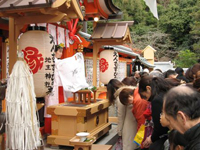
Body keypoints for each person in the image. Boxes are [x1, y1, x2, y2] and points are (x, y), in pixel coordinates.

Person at [139, 77, 175, 150]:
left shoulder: (157, 100)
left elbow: (159, 127)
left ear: (148, 88)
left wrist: (151, 139)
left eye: (144, 96)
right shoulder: (167, 93)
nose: (146, 99)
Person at [44, 44, 64, 134]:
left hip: (57, 87)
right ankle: (50, 130)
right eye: (59, 51)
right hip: (51, 88)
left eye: (61, 52)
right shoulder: (53, 61)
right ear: (54, 52)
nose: (61, 53)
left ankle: (58, 129)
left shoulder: (57, 62)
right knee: (50, 107)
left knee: (57, 107)